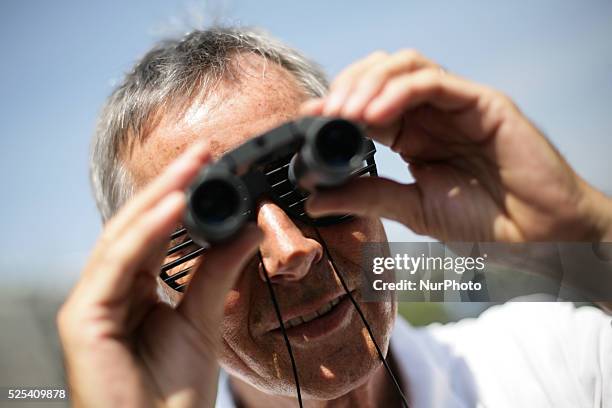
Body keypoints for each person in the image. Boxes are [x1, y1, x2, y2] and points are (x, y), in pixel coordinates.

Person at [57, 27, 612, 407]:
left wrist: (583, 230)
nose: (292, 250)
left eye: (303, 183)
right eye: (213, 223)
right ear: (150, 280)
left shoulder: (554, 365)